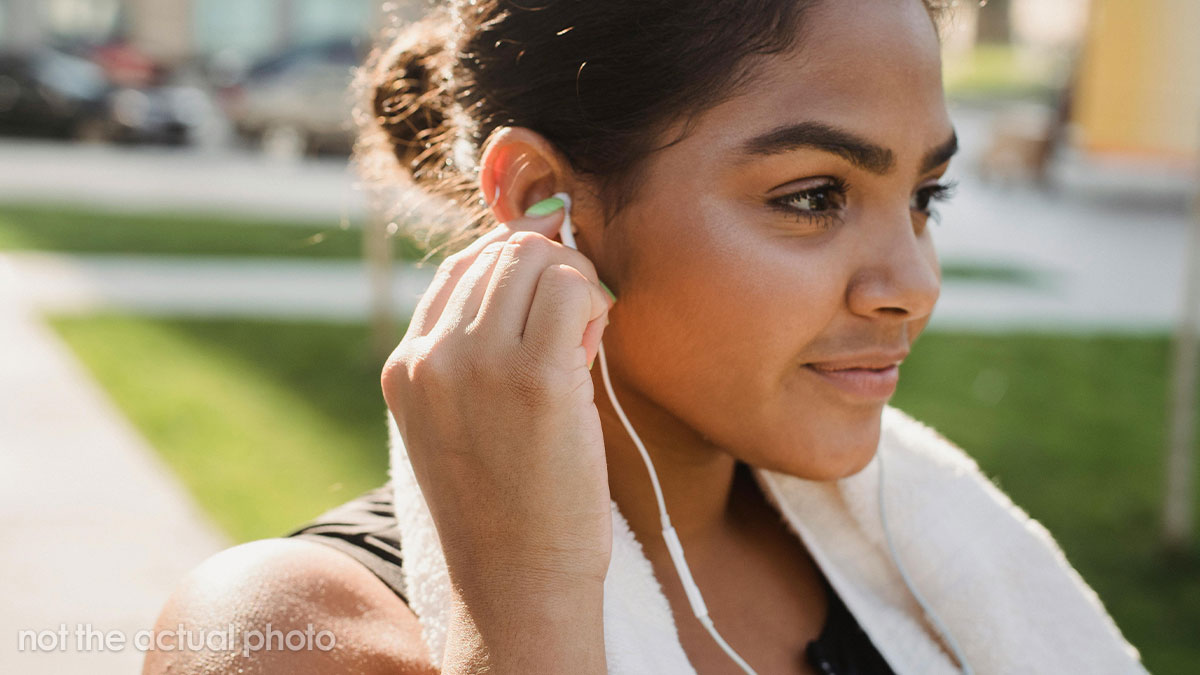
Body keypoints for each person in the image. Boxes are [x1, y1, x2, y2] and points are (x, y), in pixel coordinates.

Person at [143, 1, 1148, 674]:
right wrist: (530, 610)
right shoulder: (293, 635)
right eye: (813, 196)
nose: (913, 285)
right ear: (544, 201)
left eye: (925, 194)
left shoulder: (932, 563)